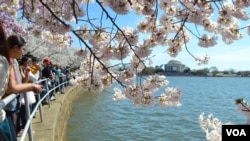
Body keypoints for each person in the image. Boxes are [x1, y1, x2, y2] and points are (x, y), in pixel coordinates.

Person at [3, 35, 42, 141]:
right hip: (5, 105)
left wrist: (28, 73)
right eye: (23, 49)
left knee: (12, 131)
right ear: (16, 48)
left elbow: (20, 82)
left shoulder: (13, 61)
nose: (23, 52)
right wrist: (32, 86)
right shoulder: (5, 61)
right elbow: (11, 87)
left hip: (12, 102)